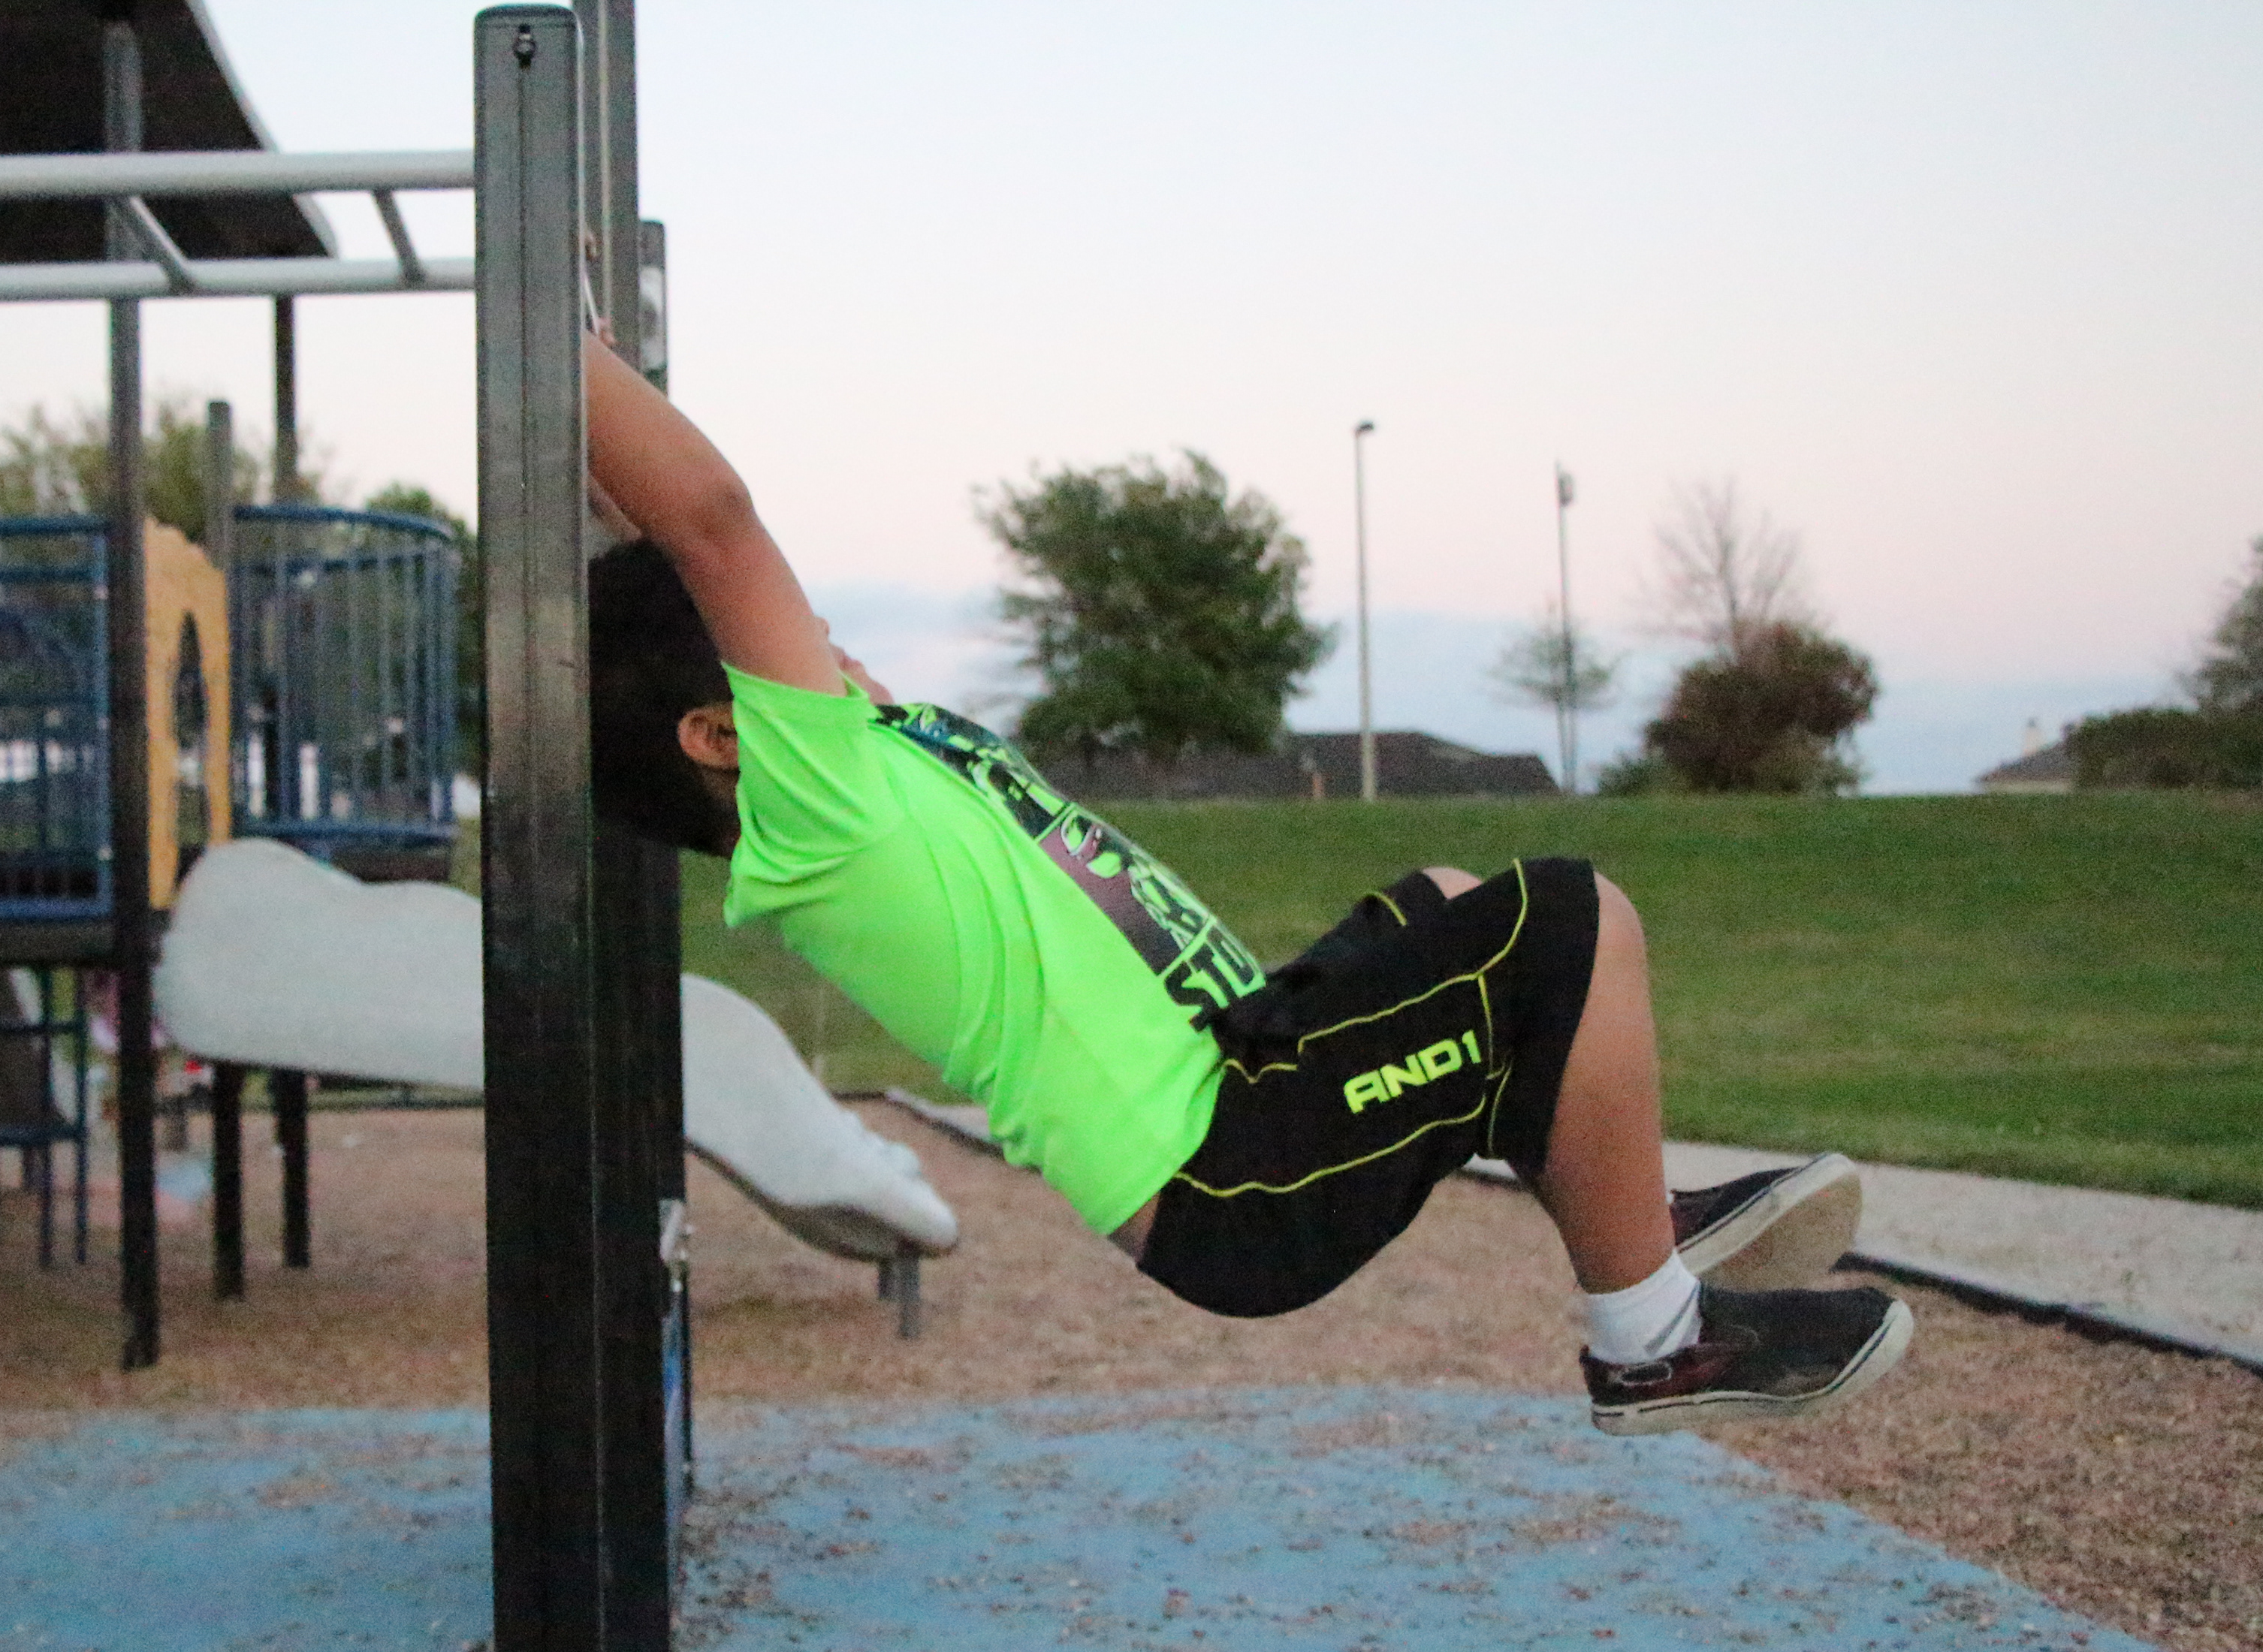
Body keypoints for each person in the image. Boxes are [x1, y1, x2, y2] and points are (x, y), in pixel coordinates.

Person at [578, 336, 1908, 1434]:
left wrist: (571, 435)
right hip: (1233, 1175)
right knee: (1570, 918)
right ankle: (1652, 1339)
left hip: (1252, 1058)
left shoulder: (847, 766)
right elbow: (712, 528)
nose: (819, 639)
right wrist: (543, 337)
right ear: (723, 735)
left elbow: (664, 563)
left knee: (1449, 898)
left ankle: (1624, 1209)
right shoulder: (819, 806)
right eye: (796, 639)